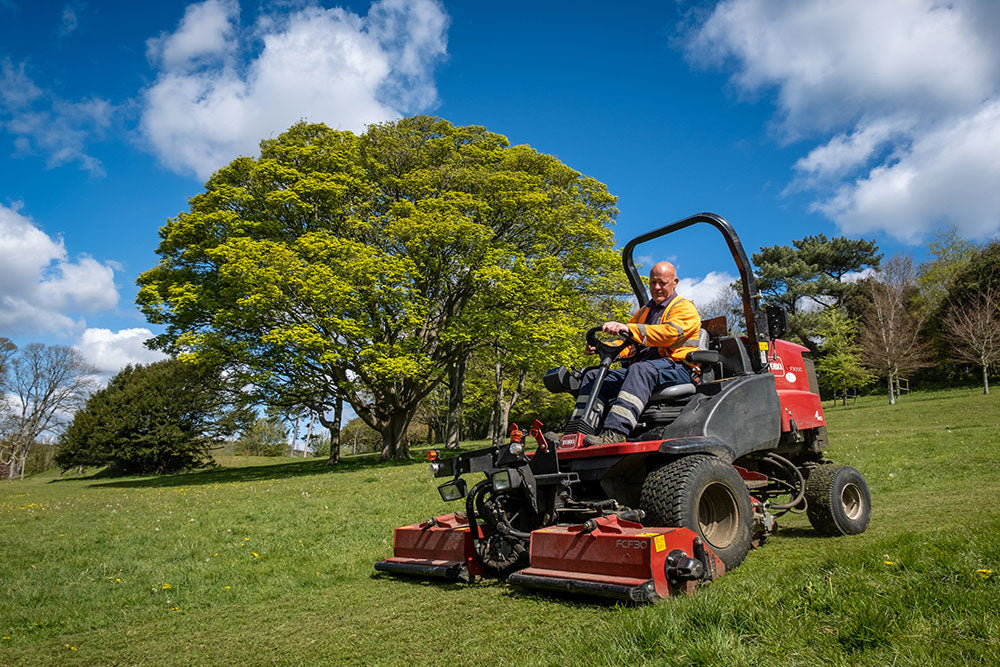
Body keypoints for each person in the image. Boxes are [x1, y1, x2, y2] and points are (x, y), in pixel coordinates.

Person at [573, 261, 702, 446]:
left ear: (675, 282)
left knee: (641, 369)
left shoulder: (684, 308)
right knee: (593, 375)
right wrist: (603, 347)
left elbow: (667, 334)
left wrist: (628, 327)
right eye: (652, 283)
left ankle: (615, 432)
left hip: (677, 368)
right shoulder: (644, 312)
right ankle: (578, 431)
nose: (656, 288)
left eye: (662, 283)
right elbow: (628, 342)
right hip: (647, 370)